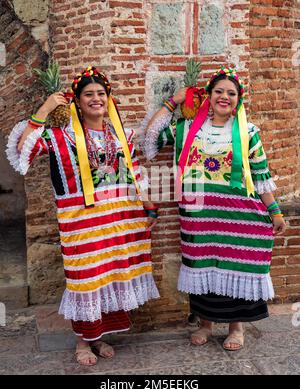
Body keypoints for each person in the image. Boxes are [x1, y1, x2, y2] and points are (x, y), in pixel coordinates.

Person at [6, 65, 160, 365]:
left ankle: (99, 338)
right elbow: (23, 148)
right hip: (82, 222)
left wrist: (149, 205)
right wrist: (47, 107)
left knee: (111, 275)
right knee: (86, 279)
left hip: (119, 218)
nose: (95, 99)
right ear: (77, 101)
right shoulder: (61, 137)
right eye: (88, 94)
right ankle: (82, 343)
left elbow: (135, 174)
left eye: (100, 93)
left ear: (108, 98)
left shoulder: (120, 135)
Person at [141, 66, 286, 351]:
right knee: (202, 266)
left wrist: (275, 211)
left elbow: (260, 175)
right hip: (200, 216)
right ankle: (205, 324)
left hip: (240, 215)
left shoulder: (248, 132)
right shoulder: (185, 129)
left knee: (238, 265)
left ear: (238, 99)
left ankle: (236, 328)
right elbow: (149, 141)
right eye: (219, 91)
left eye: (231, 93)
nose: (224, 97)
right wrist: (173, 103)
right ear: (208, 95)